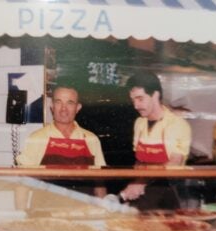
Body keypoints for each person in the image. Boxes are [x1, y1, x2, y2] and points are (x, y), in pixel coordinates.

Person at [16, 82, 107, 197]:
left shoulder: (91, 139)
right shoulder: (37, 138)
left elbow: (99, 183)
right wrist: (21, 213)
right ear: (52, 106)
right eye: (58, 102)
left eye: (70, 103)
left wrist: (103, 211)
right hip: (45, 211)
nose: (63, 109)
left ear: (78, 108)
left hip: (83, 211)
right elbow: (23, 182)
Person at [120, 70, 192, 210]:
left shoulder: (177, 124)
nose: (136, 105)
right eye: (133, 100)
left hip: (167, 193)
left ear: (155, 95)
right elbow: (139, 162)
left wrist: (140, 183)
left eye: (140, 99)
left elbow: (173, 163)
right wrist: (133, 186)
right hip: (143, 192)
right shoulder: (139, 123)